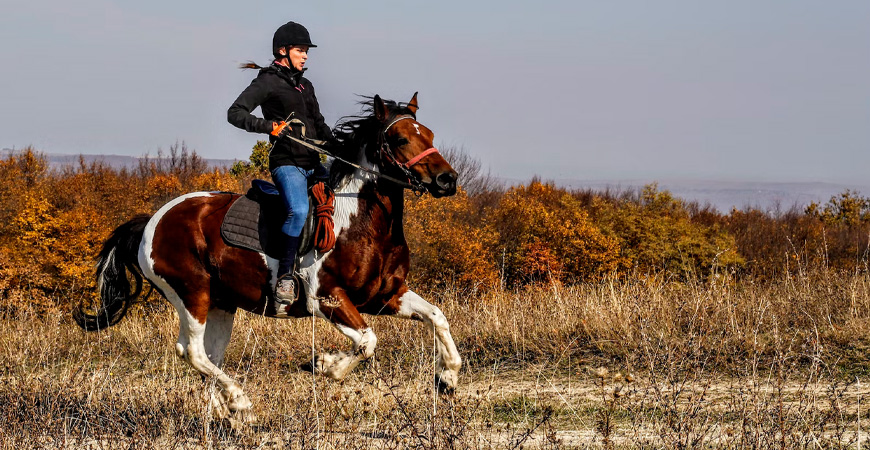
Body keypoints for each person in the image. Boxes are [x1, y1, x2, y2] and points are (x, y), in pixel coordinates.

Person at [227, 21, 334, 303]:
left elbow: (319, 125)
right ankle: (284, 277)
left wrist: (338, 146)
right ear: (283, 51)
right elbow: (235, 113)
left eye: (306, 51)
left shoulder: (305, 85)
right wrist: (269, 126)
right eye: (301, 50)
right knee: (298, 210)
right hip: (287, 162)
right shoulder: (267, 81)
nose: (306, 56)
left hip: (313, 162)